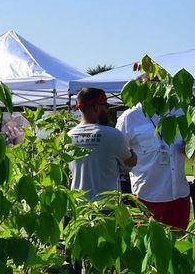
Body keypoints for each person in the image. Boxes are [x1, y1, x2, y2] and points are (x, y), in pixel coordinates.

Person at [117, 96, 189, 229]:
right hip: (148, 196)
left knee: (181, 243)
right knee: (148, 244)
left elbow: (190, 141)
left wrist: (189, 147)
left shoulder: (179, 112)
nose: (156, 89)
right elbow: (117, 153)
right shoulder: (129, 118)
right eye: (151, 83)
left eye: (159, 83)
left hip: (179, 194)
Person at [68, 88, 137, 202]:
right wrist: (134, 156)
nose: (107, 110)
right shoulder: (113, 135)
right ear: (96, 107)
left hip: (78, 207)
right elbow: (128, 164)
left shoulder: (68, 136)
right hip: (106, 206)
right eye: (106, 106)